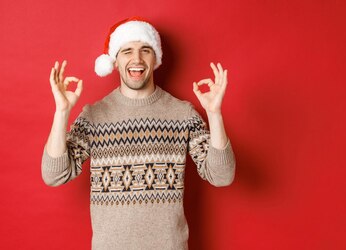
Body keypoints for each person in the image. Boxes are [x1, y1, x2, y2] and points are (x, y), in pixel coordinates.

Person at [41, 17, 236, 249]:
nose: (137, 59)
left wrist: (214, 115)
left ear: (155, 58)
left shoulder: (182, 113)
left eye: (145, 50)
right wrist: (62, 112)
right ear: (114, 60)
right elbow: (55, 175)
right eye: (127, 51)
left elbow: (222, 176)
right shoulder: (94, 116)